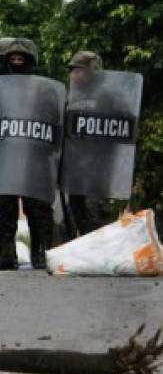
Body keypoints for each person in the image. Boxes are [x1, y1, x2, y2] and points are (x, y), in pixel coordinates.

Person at [0, 37, 55, 270]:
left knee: (37, 208)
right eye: (13, 58)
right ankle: (7, 254)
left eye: (22, 58)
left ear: (31, 61)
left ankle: (42, 253)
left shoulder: (43, 89)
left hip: (33, 158)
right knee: (5, 207)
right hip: (4, 156)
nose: (17, 62)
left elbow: (53, 122)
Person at [64, 50, 115, 236]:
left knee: (95, 209)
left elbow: (122, 128)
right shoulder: (71, 97)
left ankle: (99, 253)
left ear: (93, 71)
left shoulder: (107, 96)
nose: (75, 74)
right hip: (76, 165)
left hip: (98, 166)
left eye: (80, 70)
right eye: (73, 70)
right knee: (76, 207)